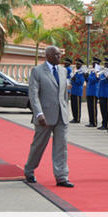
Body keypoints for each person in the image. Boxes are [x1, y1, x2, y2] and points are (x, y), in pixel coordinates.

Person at [24, 46, 74, 187]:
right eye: (56, 55)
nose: (59, 57)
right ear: (48, 56)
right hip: (44, 117)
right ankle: (29, 170)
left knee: (61, 147)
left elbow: (64, 95)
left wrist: (66, 111)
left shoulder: (63, 71)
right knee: (38, 146)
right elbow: (33, 94)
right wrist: (38, 113)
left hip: (61, 117)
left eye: (60, 55)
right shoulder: (37, 71)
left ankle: (62, 176)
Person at [98, 57, 108, 130]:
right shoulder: (103, 72)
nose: (105, 65)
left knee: (107, 110)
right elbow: (100, 79)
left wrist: (107, 78)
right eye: (105, 64)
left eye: (107, 64)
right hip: (101, 93)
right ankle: (103, 123)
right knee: (103, 110)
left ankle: (107, 125)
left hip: (107, 93)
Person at [85, 57, 101, 127]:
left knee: (93, 108)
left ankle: (94, 122)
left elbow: (94, 80)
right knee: (90, 108)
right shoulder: (92, 71)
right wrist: (86, 77)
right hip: (89, 91)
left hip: (94, 92)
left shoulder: (97, 72)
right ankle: (91, 121)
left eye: (94, 63)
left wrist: (88, 77)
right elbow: (88, 81)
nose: (93, 65)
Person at [70, 59, 85, 123]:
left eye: (78, 64)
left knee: (77, 106)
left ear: (81, 65)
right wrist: (72, 79)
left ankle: (77, 118)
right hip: (73, 90)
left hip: (78, 91)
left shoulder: (81, 73)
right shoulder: (76, 72)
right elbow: (72, 81)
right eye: (76, 64)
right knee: (73, 105)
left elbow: (81, 82)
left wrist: (75, 79)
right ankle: (74, 117)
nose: (77, 65)